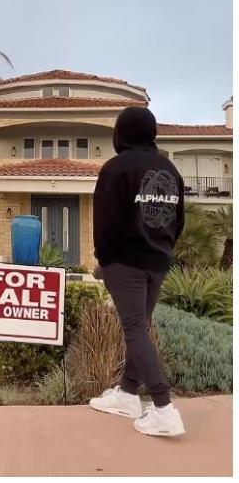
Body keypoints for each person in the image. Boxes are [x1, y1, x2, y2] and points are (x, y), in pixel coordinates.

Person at [88, 107, 186, 437]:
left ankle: (163, 409)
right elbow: (178, 220)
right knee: (139, 327)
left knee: (133, 328)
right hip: (158, 260)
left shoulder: (116, 169)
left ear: (121, 134)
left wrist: (104, 260)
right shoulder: (170, 169)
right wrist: (164, 248)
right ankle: (128, 394)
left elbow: (106, 221)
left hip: (125, 261)